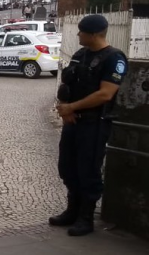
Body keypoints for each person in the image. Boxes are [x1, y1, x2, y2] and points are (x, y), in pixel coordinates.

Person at [53, 14, 128, 236]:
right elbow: (66, 84)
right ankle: (72, 210)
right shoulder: (80, 54)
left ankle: (86, 218)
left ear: (94, 34)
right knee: (67, 167)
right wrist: (65, 107)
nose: (77, 35)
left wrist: (72, 107)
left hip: (94, 124)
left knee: (88, 170)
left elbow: (105, 94)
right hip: (73, 121)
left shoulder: (114, 59)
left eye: (81, 32)